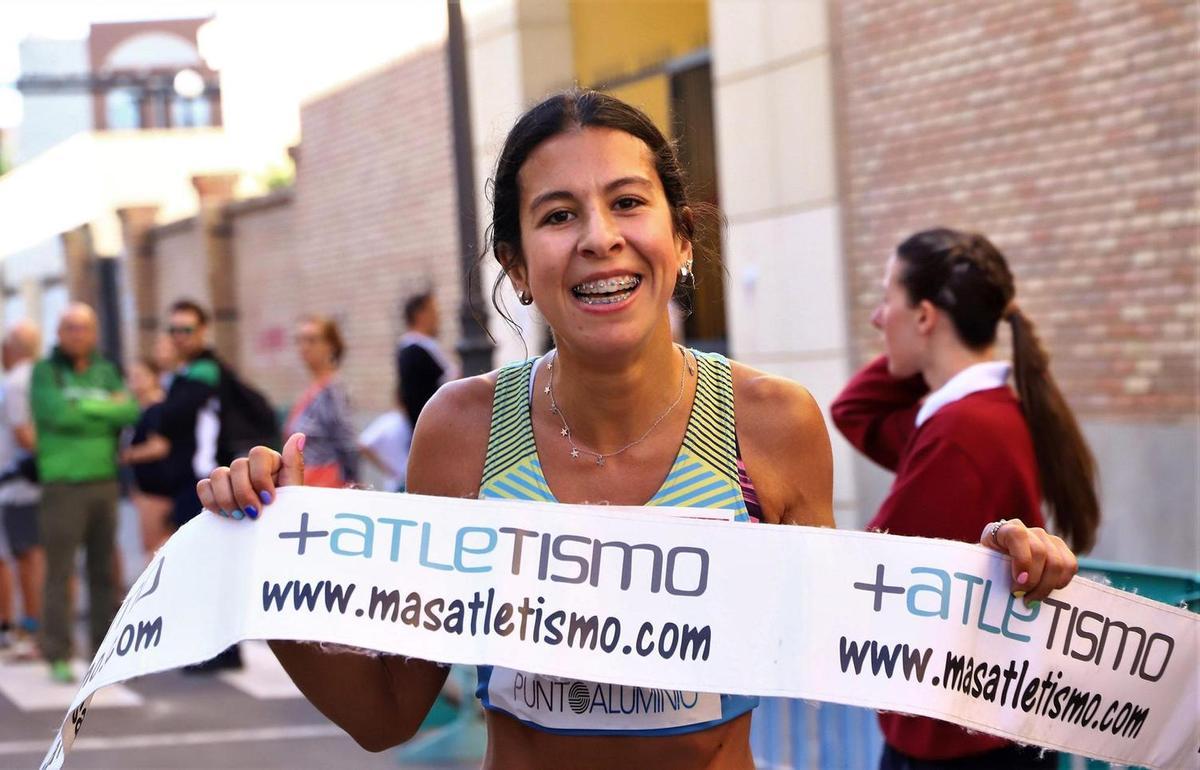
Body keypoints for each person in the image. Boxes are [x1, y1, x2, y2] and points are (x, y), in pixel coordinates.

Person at [197, 91, 1078, 769]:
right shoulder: (462, 431)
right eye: (557, 215)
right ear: (517, 265)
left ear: (681, 238)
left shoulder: (769, 424)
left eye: (628, 202)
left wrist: (998, 590)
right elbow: (388, 712)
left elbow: (845, 654)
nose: (599, 239)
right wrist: (264, 571)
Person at [831, 227, 1099, 770]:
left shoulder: (961, 433)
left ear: (925, 317)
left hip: (955, 743)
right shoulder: (976, 413)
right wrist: (931, 361)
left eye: (889, 300)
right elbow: (854, 412)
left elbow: (874, 574)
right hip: (977, 728)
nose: (878, 319)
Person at [31, 304, 138, 683]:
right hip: (63, 485)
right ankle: (57, 651)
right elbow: (57, 415)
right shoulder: (46, 372)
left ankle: (102, 653)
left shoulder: (106, 370)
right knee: (60, 572)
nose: (78, 335)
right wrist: (100, 409)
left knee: (102, 572)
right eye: (70, 328)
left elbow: (128, 411)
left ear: (94, 333)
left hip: (103, 481)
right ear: (59, 332)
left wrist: (83, 406)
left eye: (85, 328)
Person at [157, 299, 243, 671]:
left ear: (203, 331)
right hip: (200, 482)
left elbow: (168, 418)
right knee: (211, 565)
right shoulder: (194, 372)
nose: (179, 337)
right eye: (173, 330)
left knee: (206, 567)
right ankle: (223, 650)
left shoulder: (202, 374)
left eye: (186, 330)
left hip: (205, 483)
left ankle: (217, 651)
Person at [0, 321, 44, 657]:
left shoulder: (15, 383)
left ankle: (34, 629)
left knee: (28, 556)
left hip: (20, 483)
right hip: (40, 479)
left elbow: (23, 435)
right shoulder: (45, 375)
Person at [283, 315, 357, 488]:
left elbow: (346, 442)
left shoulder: (332, 390)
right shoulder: (312, 388)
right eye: (299, 340)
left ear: (330, 346)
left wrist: (352, 486)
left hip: (326, 484)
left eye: (312, 340)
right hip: (307, 482)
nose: (304, 347)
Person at [120, 358, 176, 558]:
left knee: (155, 546)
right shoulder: (138, 409)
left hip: (157, 487)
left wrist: (124, 456)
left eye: (140, 376)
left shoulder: (156, 407)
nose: (134, 382)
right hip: (145, 485)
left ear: (155, 378)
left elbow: (158, 447)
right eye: (131, 377)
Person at [396, 292, 458, 425]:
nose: (438, 316)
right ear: (420, 314)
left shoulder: (422, 346)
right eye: (434, 311)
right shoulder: (414, 350)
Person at [357, 398, 412, 493]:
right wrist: (388, 469)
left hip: (398, 479)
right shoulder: (392, 421)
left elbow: (363, 444)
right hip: (398, 482)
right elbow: (363, 444)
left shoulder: (391, 421)